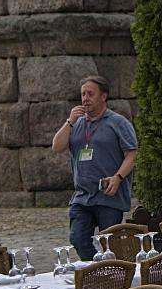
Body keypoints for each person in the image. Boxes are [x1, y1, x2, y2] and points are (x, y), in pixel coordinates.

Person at [51, 75, 137, 261]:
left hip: (109, 196)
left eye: (90, 94)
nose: (85, 99)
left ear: (103, 96)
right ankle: (97, 272)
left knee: (109, 246)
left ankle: (111, 274)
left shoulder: (118, 122)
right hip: (82, 197)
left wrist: (118, 177)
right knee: (78, 238)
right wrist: (69, 121)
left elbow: (132, 154)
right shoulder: (77, 123)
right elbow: (57, 147)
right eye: (83, 94)